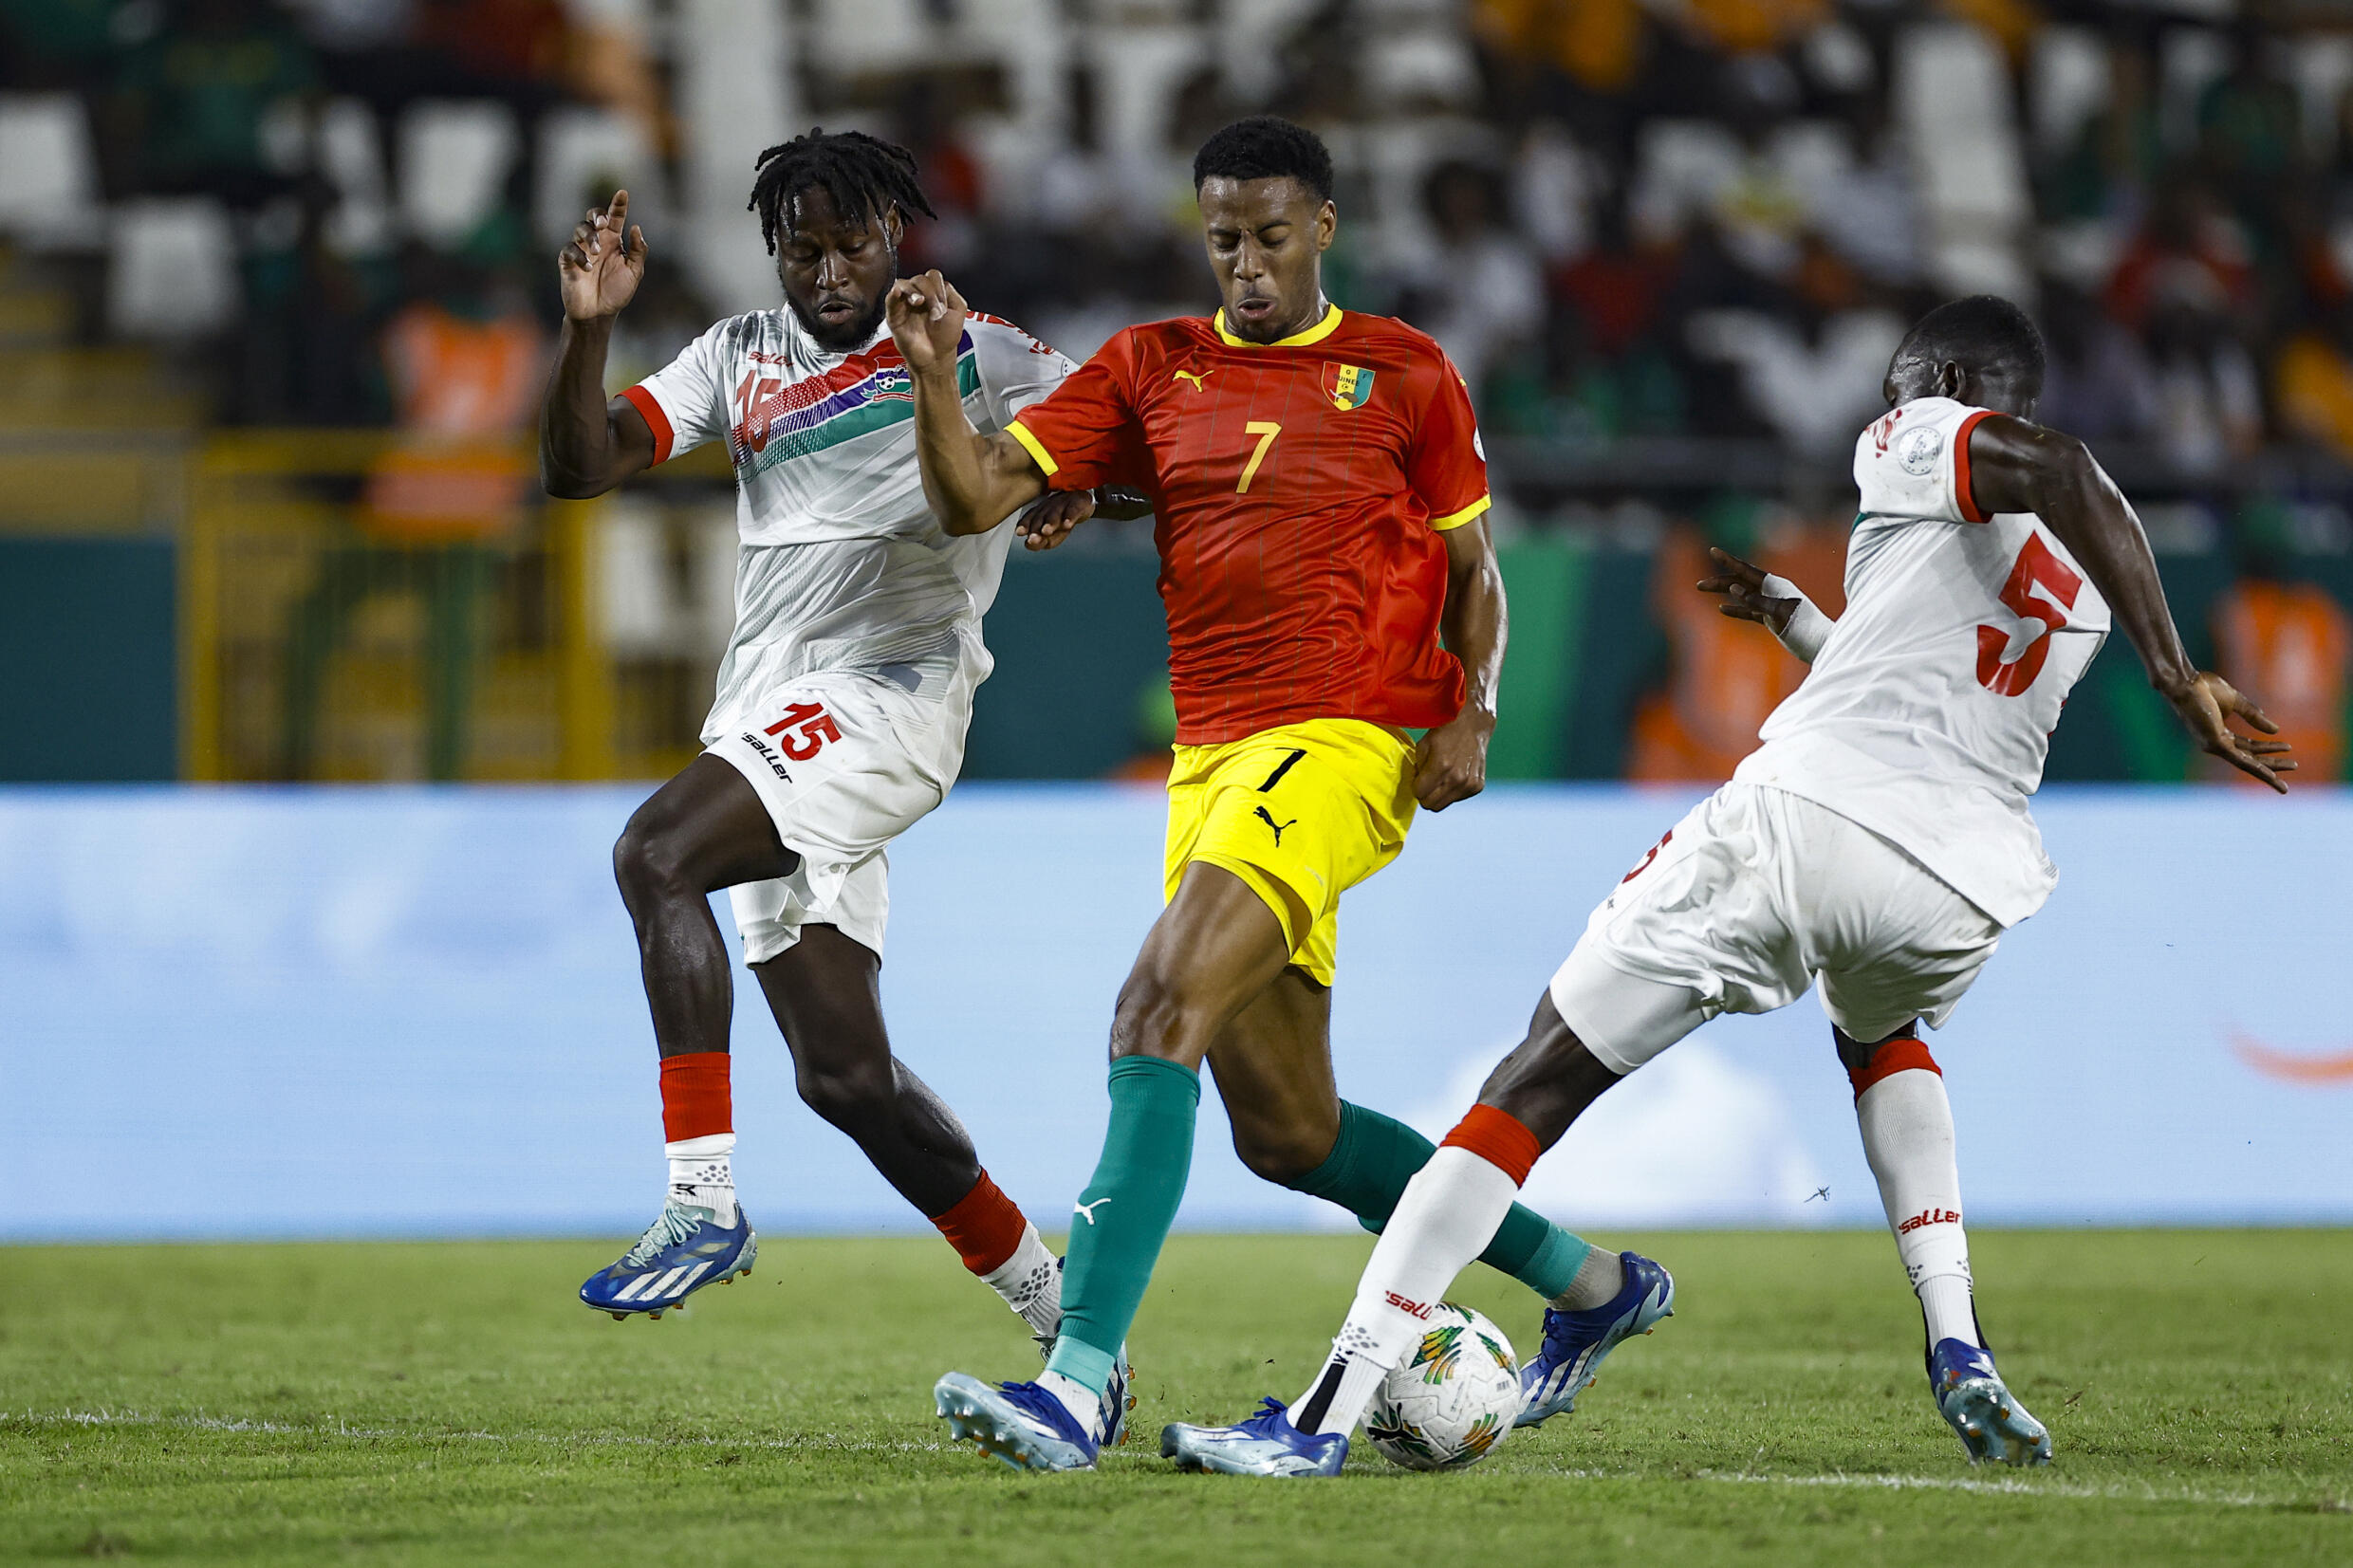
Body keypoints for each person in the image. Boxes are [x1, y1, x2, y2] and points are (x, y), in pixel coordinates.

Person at [1159, 294, 2292, 1476]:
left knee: (1531, 1081)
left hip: (1805, 825)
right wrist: (1798, 620)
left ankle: (1321, 1419)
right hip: (1958, 891)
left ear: (1951, 377)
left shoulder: (1922, 435)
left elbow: (2051, 461)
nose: (1887, 405)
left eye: (1903, 380)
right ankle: (1956, 1343)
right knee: (1882, 1032)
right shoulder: (2091, 572)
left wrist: (2178, 678)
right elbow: (1923, 673)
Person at [886, 115, 1637, 1475]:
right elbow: (972, 495)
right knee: (1290, 1133)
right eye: (1223, 236)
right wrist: (939, 376)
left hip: (1346, 738)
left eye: (1271, 235)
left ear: (1324, 229)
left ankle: (1076, 1382)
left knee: (1153, 1005)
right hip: (1213, 756)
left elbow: (1479, 577)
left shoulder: (1403, 372)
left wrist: (1474, 708)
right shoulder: (1148, 366)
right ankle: (1591, 1282)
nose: (1245, 262)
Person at [537, 133, 1131, 1435]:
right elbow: (580, 467)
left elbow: (1130, 448)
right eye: (802, 247)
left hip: (894, 695)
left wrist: (1073, 481)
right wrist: (587, 330)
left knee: (655, 854)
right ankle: (1066, 1314)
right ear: (775, 249)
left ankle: (702, 1199)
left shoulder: (978, 347)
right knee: (847, 1079)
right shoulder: (735, 357)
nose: (828, 270)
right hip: (769, 712)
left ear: (895, 240)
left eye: (852, 244)